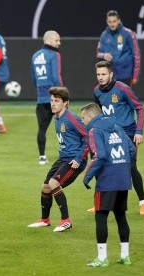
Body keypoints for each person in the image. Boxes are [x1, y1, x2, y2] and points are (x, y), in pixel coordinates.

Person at [81, 103, 135, 267]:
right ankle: (125, 256)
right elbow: (131, 150)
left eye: (83, 118)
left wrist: (87, 176)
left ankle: (102, 258)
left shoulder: (94, 130)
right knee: (121, 216)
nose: (83, 121)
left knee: (101, 216)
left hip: (106, 180)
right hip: (123, 178)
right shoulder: (117, 126)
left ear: (91, 116)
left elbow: (100, 156)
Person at [27, 87, 88, 232]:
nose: (53, 104)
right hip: (63, 158)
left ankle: (66, 221)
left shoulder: (72, 118)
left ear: (65, 103)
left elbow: (88, 137)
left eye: (57, 101)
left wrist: (79, 158)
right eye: (51, 101)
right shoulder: (56, 117)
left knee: (53, 183)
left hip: (74, 160)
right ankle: (44, 219)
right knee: (45, 187)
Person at [93, 60, 144, 215]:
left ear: (111, 74)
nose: (100, 77)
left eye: (103, 74)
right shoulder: (97, 91)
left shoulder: (123, 89)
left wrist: (139, 131)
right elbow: (99, 113)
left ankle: (142, 202)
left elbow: (140, 108)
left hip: (128, 134)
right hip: (109, 135)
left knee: (130, 168)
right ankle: (101, 201)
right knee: (103, 167)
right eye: (98, 74)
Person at [31, 30, 63, 165]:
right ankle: (65, 153)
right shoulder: (55, 55)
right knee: (63, 126)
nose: (59, 43)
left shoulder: (35, 56)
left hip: (41, 98)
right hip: (55, 97)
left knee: (42, 129)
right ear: (49, 41)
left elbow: (34, 79)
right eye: (57, 40)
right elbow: (56, 76)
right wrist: (62, 93)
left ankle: (42, 157)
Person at [96, 10, 141, 87]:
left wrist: (135, 75)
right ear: (107, 22)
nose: (112, 24)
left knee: (124, 98)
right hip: (110, 75)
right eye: (110, 22)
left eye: (114, 21)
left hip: (125, 74)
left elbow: (136, 55)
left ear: (119, 21)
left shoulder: (128, 34)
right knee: (110, 98)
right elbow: (98, 54)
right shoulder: (104, 35)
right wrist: (104, 55)